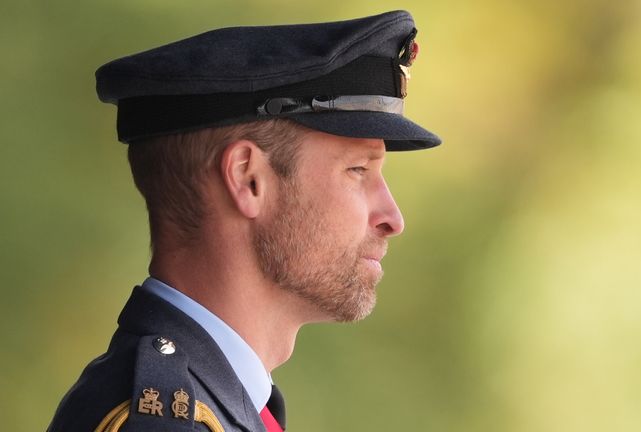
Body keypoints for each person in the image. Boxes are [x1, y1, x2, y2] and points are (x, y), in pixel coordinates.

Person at [47, 9, 440, 432]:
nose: (392, 218)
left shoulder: (226, 403)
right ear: (247, 178)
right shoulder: (164, 423)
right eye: (358, 170)